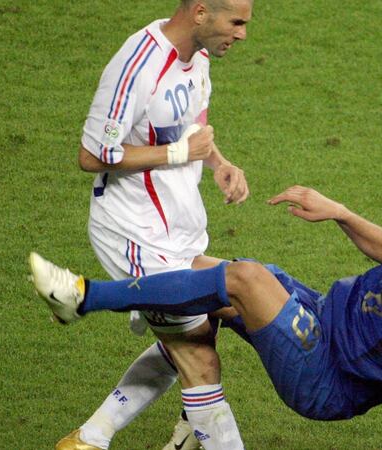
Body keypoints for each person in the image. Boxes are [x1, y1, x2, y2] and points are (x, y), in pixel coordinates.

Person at [30, 185, 382, 449]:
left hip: (325, 379)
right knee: (198, 278)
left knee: (244, 281)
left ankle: (83, 298)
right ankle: (101, 434)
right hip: (320, 310)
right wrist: (339, 211)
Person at [65, 0, 253, 449]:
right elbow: (92, 156)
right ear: (202, 12)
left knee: (216, 311)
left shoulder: (199, 55)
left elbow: (193, 124)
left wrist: (218, 162)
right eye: (237, 22)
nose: (243, 34)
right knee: (198, 358)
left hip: (179, 224)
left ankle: (90, 438)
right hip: (134, 232)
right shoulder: (137, 65)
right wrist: (177, 155)